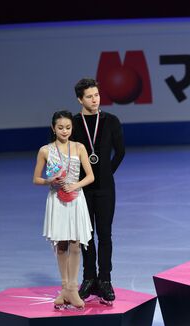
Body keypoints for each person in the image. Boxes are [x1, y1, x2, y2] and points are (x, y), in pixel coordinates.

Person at [33, 110, 94, 309]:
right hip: (56, 199)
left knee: (75, 243)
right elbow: (36, 179)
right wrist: (49, 181)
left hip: (76, 199)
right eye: (60, 128)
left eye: (68, 127)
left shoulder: (79, 147)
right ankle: (65, 287)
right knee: (61, 245)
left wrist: (74, 186)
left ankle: (73, 289)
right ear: (53, 128)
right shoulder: (45, 150)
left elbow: (90, 176)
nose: (65, 131)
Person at [72, 78, 125, 304]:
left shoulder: (111, 121)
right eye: (89, 96)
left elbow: (120, 152)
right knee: (86, 236)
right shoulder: (73, 123)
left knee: (105, 234)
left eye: (96, 95)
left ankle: (105, 279)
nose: (95, 99)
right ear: (80, 99)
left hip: (105, 188)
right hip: (82, 189)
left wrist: (106, 173)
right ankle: (88, 278)